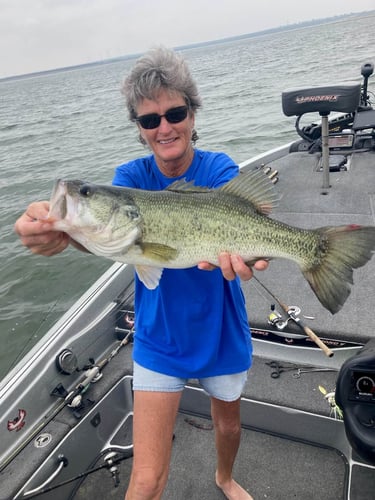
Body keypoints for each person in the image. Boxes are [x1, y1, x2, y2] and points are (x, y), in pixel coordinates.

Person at [14, 47, 268, 500]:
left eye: (175, 112)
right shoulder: (128, 179)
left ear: (192, 114)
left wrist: (249, 255)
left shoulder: (219, 170)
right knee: (147, 480)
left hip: (221, 330)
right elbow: (112, 234)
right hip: (159, 337)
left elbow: (240, 220)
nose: (164, 127)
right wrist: (60, 233)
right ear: (138, 128)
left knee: (228, 424)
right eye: (149, 120)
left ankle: (224, 478)